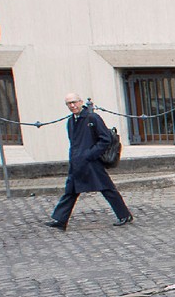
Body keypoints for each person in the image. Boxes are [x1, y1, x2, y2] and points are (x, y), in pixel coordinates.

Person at [46, 93, 132, 229]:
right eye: (69, 103)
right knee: (71, 191)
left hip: (91, 162)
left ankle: (124, 215)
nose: (72, 105)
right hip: (77, 163)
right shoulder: (71, 121)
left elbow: (105, 139)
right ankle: (60, 219)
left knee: (107, 188)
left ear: (81, 102)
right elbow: (73, 142)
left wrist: (90, 154)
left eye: (74, 102)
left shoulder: (92, 118)